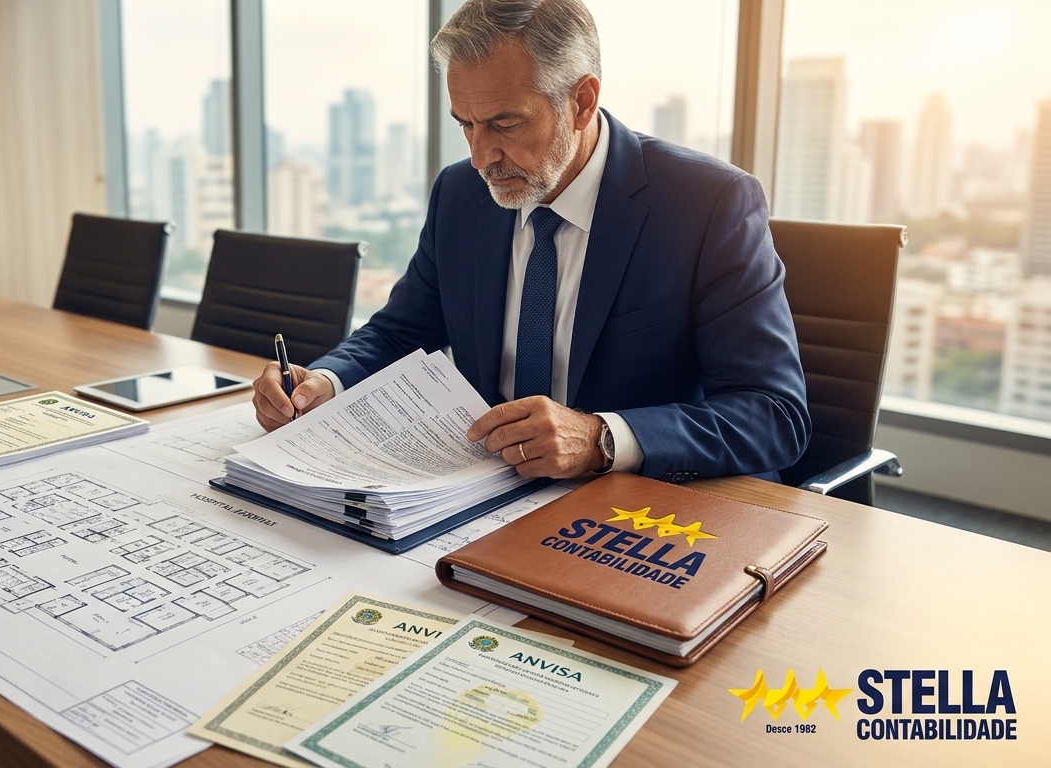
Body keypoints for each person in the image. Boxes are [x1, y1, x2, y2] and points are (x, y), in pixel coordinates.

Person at [251, 0, 809, 484]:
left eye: (505, 123)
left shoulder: (708, 204)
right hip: (484, 486)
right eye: (466, 125)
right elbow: (402, 330)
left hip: (640, 505)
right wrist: (326, 380)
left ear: (582, 101)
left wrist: (600, 438)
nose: (480, 157)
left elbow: (774, 413)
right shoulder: (460, 194)